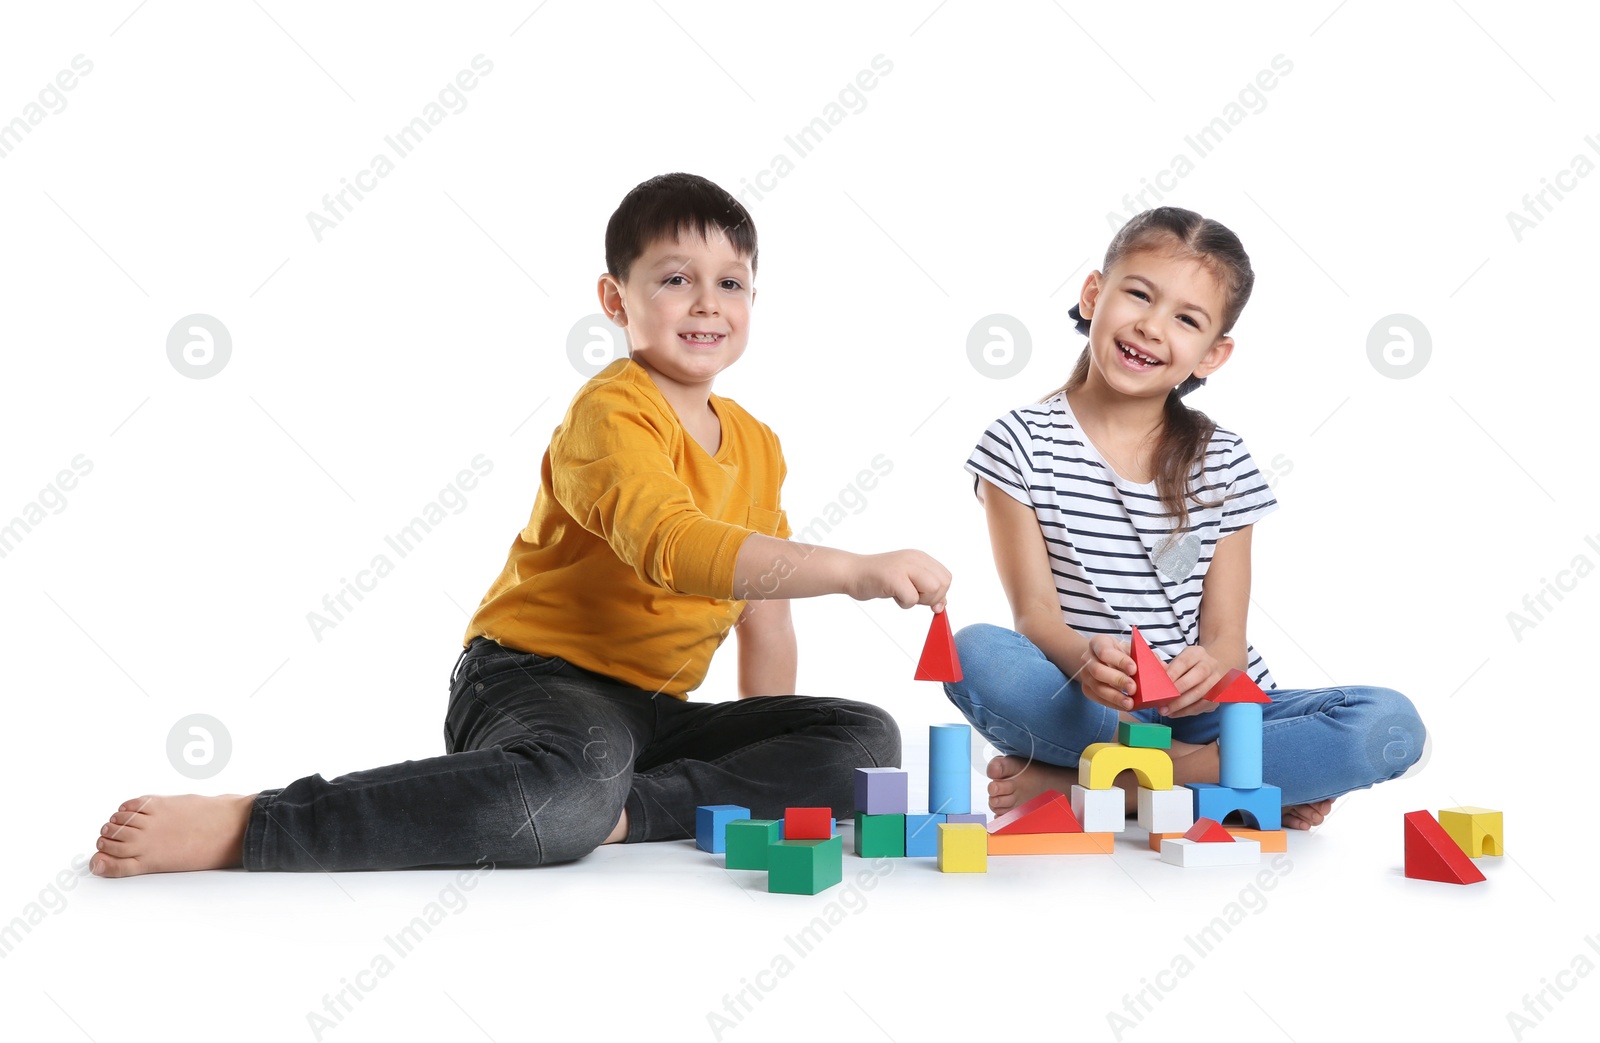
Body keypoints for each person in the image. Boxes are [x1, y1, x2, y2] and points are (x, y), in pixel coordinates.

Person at [90, 172, 951, 877]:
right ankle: (259, 825)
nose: (707, 303)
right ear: (616, 299)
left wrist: (766, 763)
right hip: (535, 682)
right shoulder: (611, 414)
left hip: (654, 716)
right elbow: (675, 548)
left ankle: (620, 810)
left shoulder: (758, 446)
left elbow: (764, 611)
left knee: (863, 743)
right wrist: (855, 569)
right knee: (560, 795)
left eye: (731, 283)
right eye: (675, 278)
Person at [943, 206, 1424, 832]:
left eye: (1186, 319)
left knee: (1390, 723)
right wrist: (1085, 659)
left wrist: (1214, 664)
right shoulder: (1019, 443)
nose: (1150, 326)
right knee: (975, 653)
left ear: (1212, 354)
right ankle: (1228, 780)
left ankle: (1120, 788)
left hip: (1211, 716)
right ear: (1094, 295)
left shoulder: (1222, 460)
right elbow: (1035, 615)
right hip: (1095, 710)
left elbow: (1225, 637)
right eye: (1138, 294)